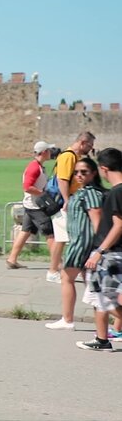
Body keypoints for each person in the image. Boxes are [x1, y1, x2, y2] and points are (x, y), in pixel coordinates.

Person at [45, 157, 105, 330]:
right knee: (92, 286)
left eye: (84, 172)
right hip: (80, 242)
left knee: (67, 278)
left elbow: (97, 222)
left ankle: (68, 319)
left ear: (94, 173)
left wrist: (98, 249)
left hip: (82, 243)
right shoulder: (84, 191)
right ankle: (104, 324)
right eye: (76, 172)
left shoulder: (90, 193)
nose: (78, 175)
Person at [77, 148, 122, 351]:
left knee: (108, 299)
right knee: (99, 297)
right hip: (112, 253)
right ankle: (102, 339)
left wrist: (100, 251)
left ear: (103, 169)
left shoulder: (116, 192)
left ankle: (103, 339)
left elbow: (119, 225)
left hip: (111, 254)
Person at [48, 131, 96, 283]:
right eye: (90, 145)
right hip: (64, 204)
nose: (91, 149)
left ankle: (62, 268)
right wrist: (67, 200)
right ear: (82, 142)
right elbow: (62, 179)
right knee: (60, 238)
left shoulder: (75, 157)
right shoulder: (68, 156)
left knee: (64, 238)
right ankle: (53, 270)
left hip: (69, 201)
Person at [6, 141, 56, 269]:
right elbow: (27, 187)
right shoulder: (35, 167)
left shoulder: (37, 166)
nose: (51, 152)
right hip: (35, 207)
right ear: (44, 152)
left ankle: (12, 259)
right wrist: (43, 194)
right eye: (49, 150)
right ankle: (58, 263)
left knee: (25, 231)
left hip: (31, 205)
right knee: (50, 233)